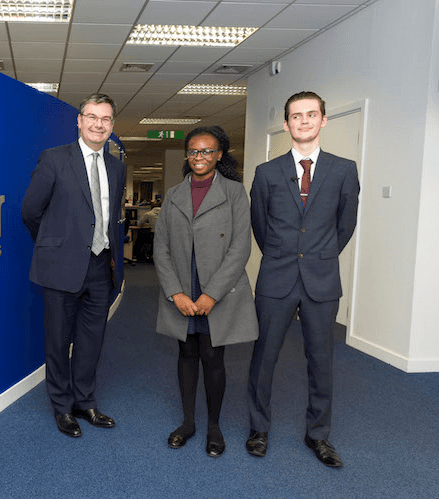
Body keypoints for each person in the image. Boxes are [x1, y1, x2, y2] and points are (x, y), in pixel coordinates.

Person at [246, 91, 360, 467]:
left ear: (323, 120)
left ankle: (318, 435)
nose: (304, 121)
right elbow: (260, 226)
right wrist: (285, 255)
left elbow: (345, 226)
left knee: (321, 360)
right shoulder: (267, 172)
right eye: (296, 116)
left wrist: (318, 255)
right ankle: (258, 428)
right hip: (276, 278)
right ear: (286, 124)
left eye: (312, 114)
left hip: (322, 279)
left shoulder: (344, 170)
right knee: (264, 357)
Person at [21, 93, 126, 438]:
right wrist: (55, 245)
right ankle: (62, 407)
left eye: (106, 119)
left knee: (91, 340)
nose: (99, 124)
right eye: (92, 117)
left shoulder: (116, 166)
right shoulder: (54, 159)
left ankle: (85, 401)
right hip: (61, 268)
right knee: (58, 341)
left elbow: (111, 219)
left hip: (101, 267)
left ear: (112, 126)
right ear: (79, 121)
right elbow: (30, 212)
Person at [153, 126, 258, 457]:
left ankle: (214, 426)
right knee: (186, 355)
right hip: (183, 287)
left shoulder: (235, 192)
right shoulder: (173, 195)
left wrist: (211, 294)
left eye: (207, 151)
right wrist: (175, 293)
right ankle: (187, 423)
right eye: (194, 152)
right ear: (187, 156)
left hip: (218, 290)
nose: (200, 157)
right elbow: (161, 248)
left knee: (213, 357)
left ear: (219, 155)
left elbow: (241, 247)